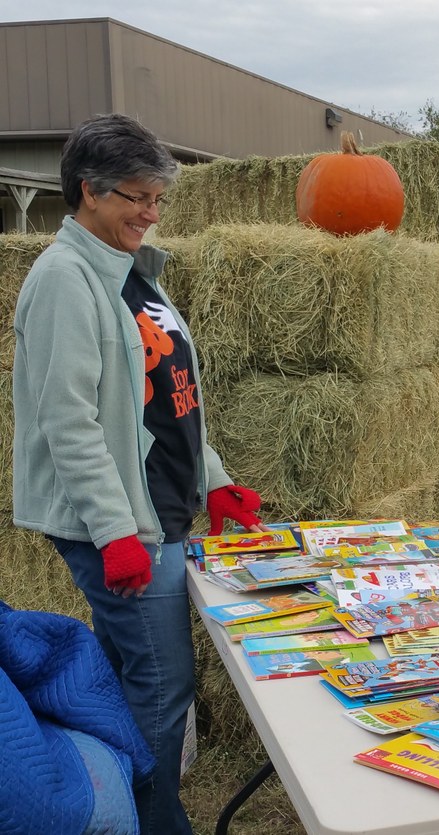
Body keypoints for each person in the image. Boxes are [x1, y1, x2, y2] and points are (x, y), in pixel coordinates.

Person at [12, 114, 266, 834]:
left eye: (158, 200)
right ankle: (151, 821)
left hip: (158, 509)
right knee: (162, 684)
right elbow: (69, 420)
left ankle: (121, 800)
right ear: (89, 192)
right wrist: (115, 530)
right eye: (137, 197)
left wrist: (210, 476)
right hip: (124, 525)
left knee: (136, 677)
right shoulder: (66, 279)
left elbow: (171, 397)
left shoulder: (133, 273)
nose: (151, 214)